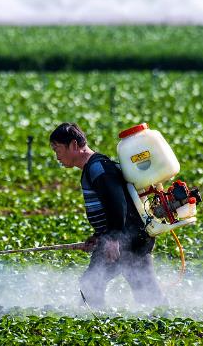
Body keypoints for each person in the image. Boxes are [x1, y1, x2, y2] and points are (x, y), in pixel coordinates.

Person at [49, 122, 166, 309]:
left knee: (90, 283)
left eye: (58, 149)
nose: (57, 157)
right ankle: (163, 317)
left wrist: (112, 239)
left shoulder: (98, 169)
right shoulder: (95, 167)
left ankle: (96, 324)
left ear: (73, 145)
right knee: (145, 291)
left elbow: (117, 203)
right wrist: (98, 236)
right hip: (132, 236)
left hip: (126, 238)